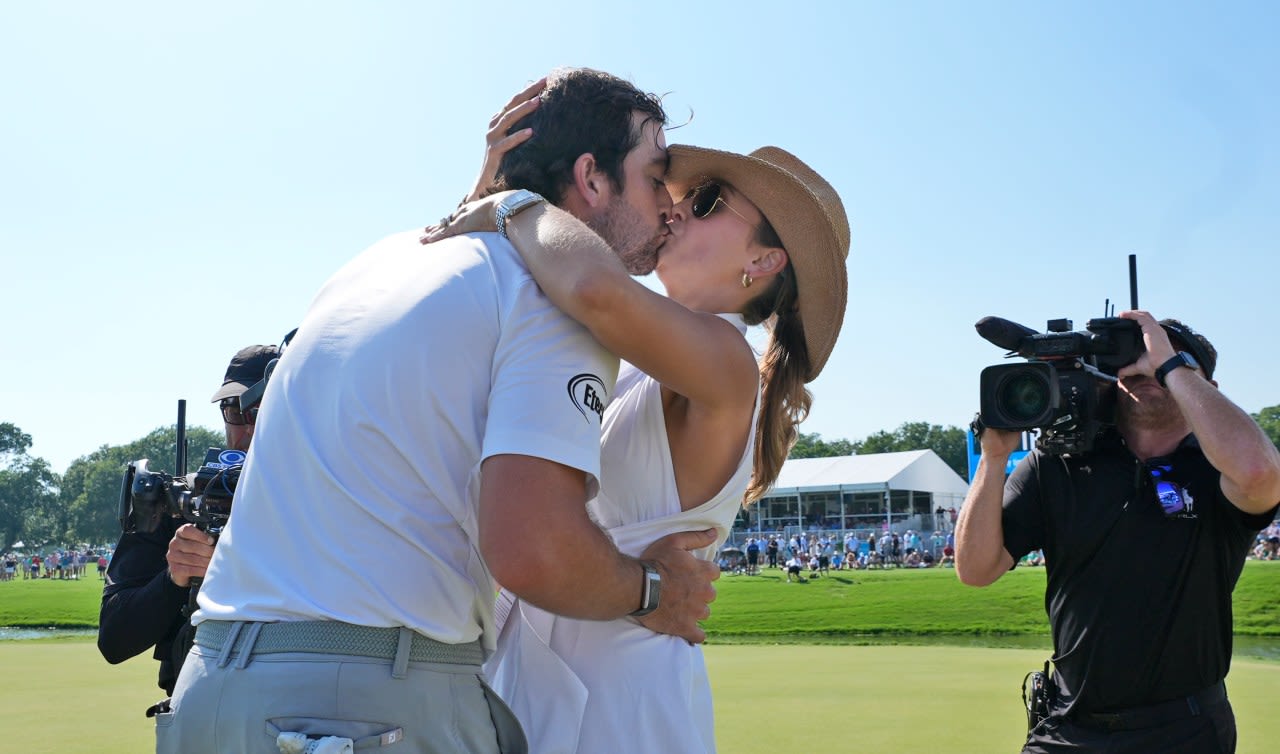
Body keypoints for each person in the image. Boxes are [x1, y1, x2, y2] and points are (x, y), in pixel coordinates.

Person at [159, 69, 720, 754]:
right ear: (592, 179)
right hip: (359, 709)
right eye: (655, 177)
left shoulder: (379, 259)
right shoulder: (551, 302)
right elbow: (533, 552)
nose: (671, 206)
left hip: (210, 685)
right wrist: (655, 590)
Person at [428, 90, 849, 750]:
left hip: (621, 706)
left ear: (764, 263)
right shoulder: (624, 356)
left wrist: (512, 202)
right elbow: (492, 302)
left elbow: (591, 285)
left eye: (708, 202)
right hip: (537, 683)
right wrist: (486, 197)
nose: (677, 205)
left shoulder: (725, 359)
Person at [955, 311, 1280, 753]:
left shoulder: (1219, 469)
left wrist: (1169, 366)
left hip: (1184, 731)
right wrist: (993, 459)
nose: (1147, 367)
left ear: (1204, 387)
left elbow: (1261, 472)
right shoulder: (1056, 464)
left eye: (1170, 359)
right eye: (1135, 357)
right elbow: (976, 568)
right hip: (1066, 727)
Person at [98, 344, 279, 699]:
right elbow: (115, 640)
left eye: (260, 411)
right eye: (234, 410)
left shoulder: (325, 503)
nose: (245, 428)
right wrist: (175, 577)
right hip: (199, 705)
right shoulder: (179, 500)